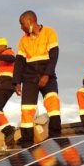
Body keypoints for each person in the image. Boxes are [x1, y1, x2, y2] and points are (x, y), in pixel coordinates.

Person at [13, 10, 61, 148]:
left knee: (53, 102)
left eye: (22, 24)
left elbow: (54, 56)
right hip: (29, 77)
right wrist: (16, 82)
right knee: (27, 110)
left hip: (47, 74)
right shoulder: (23, 40)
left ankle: (55, 136)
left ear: (30, 21)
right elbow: (20, 62)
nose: (21, 27)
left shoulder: (49, 32)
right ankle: (27, 143)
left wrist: (47, 75)